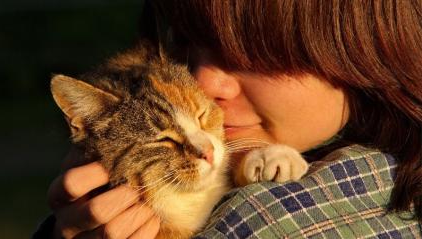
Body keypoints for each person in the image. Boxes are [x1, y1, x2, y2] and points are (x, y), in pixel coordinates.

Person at [35, 0, 422, 238]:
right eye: (184, 41)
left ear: (362, 42)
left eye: (250, 51)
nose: (202, 82)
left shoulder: (265, 224)